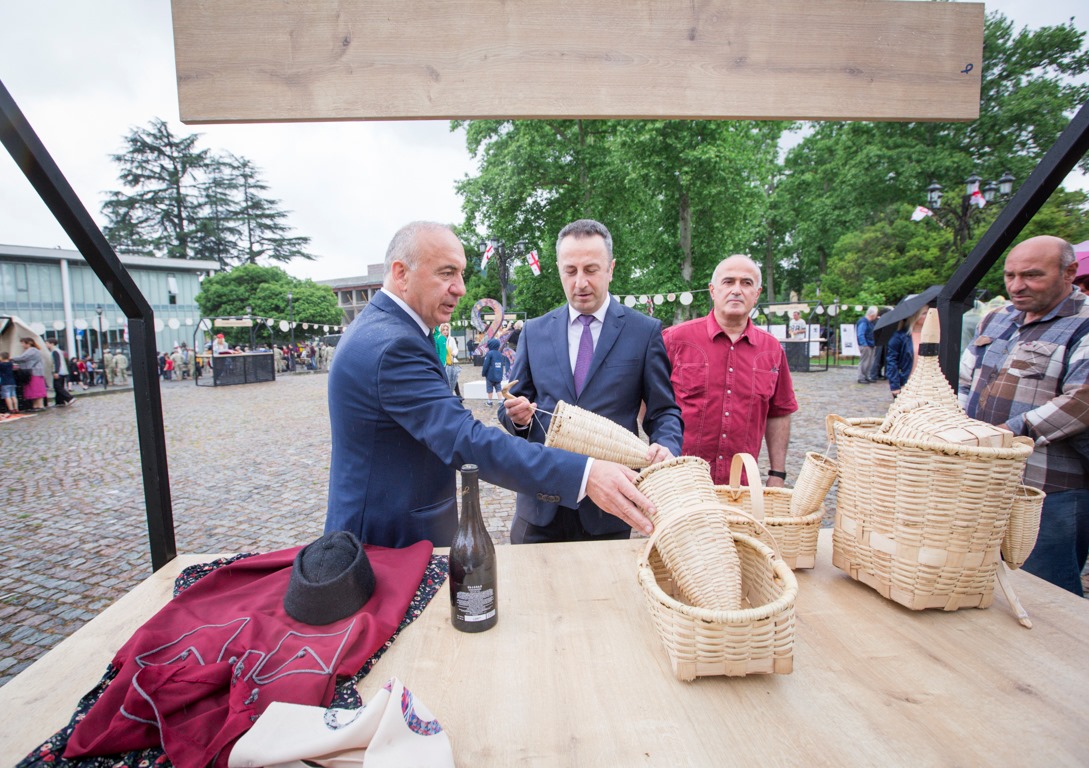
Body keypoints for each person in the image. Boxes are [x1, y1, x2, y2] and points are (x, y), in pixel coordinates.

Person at [325, 220, 658, 549]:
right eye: (447, 273)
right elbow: (465, 439)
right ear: (401, 273)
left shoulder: (390, 330)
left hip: (393, 533)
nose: (460, 288)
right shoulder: (395, 344)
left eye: (460, 274)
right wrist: (585, 474)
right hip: (387, 543)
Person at [499, 218, 683, 544]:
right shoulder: (535, 331)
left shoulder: (644, 332)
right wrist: (517, 417)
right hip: (541, 504)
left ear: (611, 269)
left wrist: (666, 445)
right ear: (559, 270)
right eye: (570, 271)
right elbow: (513, 402)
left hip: (608, 508)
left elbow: (664, 411)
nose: (580, 282)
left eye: (591, 270)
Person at [959, 235, 1089, 596]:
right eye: (1010, 275)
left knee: (1046, 592)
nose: (1017, 286)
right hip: (985, 479)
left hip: (1050, 488)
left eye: (1032, 275)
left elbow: (1081, 400)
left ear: (1069, 272)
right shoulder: (997, 319)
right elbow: (966, 379)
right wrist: (957, 426)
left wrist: (1006, 434)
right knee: (979, 580)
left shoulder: (1083, 322)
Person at [664, 255, 797, 487]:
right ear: (713, 290)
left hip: (742, 486)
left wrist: (778, 473)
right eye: (728, 282)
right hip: (681, 482)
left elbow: (780, 412)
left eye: (746, 283)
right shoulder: (675, 340)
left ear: (757, 294)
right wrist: (662, 449)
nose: (736, 290)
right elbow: (648, 400)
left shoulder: (771, 350)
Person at [884, 311, 920, 399]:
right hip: (907, 383)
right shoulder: (900, 336)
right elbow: (891, 361)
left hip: (926, 384)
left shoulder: (932, 335)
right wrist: (895, 385)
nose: (927, 315)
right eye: (924, 313)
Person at [11, 337, 48, 411]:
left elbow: (23, 358)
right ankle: (36, 405)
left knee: (36, 389)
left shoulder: (32, 350)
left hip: (35, 372)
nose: (22, 345)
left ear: (29, 343)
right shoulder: (32, 350)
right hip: (34, 372)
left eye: (23, 343)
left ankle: (40, 405)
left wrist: (11, 358)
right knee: (34, 389)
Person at [45, 340, 74, 407]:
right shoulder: (58, 351)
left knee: (58, 386)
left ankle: (69, 398)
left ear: (52, 344)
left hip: (59, 372)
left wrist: (56, 372)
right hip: (62, 371)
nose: (46, 345)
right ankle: (60, 402)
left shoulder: (55, 351)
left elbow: (57, 362)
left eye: (47, 343)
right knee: (58, 387)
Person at [480, 337, 508, 406]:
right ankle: (500, 401)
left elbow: (486, 364)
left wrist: (483, 373)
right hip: (498, 375)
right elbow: (502, 365)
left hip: (490, 375)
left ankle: (489, 401)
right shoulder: (500, 354)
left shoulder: (489, 353)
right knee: (498, 388)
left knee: (489, 388)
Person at [856, 306, 878, 383]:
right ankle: (861, 377)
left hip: (870, 344)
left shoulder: (869, 322)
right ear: (873, 314)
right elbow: (860, 334)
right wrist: (864, 344)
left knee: (869, 362)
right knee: (864, 362)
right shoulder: (864, 322)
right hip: (866, 345)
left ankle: (866, 376)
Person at [440, 322, 462, 398]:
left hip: (450, 362)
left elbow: (456, 349)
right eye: (444, 330)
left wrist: (453, 353)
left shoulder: (451, 339)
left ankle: (458, 395)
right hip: (442, 362)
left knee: (453, 378)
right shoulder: (439, 339)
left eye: (447, 329)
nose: (445, 331)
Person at [0, 351, 18, 416]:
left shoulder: (1, 365)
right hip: (12, 382)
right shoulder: (10, 364)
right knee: (13, 396)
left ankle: (11, 409)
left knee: (7, 396)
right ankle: (16, 408)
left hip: (5, 382)